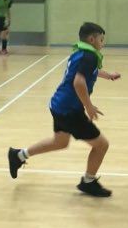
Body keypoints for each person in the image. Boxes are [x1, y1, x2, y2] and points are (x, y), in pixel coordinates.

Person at [7, 21, 121, 197]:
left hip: (58, 104)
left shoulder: (81, 52)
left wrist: (108, 75)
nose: (102, 43)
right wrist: (88, 106)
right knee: (101, 145)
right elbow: (78, 82)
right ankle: (88, 182)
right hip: (70, 110)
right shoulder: (89, 56)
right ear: (92, 39)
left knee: (60, 142)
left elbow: (89, 72)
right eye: (101, 39)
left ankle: (18, 156)